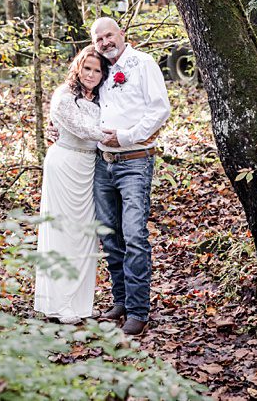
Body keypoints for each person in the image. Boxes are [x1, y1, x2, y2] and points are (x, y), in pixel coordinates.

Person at [90, 17, 171, 337]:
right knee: (110, 236)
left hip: (134, 162)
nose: (105, 42)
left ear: (122, 34)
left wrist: (124, 137)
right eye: (99, 39)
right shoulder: (98, 67)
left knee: (134, 234)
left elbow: (160, 109)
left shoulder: (143, 63)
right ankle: (121, 301)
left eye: (109, 35)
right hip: (101, 164)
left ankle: (138, 310)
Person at [35, 47, 112, 324]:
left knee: (84, 235)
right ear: (77, 68)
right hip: (64, 164)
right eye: (87, 68)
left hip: (90, 167)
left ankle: (79, 302)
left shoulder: (104, 98)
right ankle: (58, 303)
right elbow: (82, 129)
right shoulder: (63, 96)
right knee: (62, 232)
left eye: (97, 70)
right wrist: (124, 137)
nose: (91, 74)